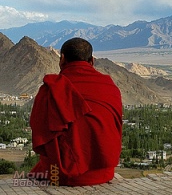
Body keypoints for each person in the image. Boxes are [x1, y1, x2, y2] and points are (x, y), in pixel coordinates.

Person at [30, 37, 122, 186]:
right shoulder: (110, 87)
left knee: (39, 171)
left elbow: (39, 129)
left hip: (61, 174)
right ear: (92, 61)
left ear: (62, 59)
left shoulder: (51, 89)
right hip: (104, 172)